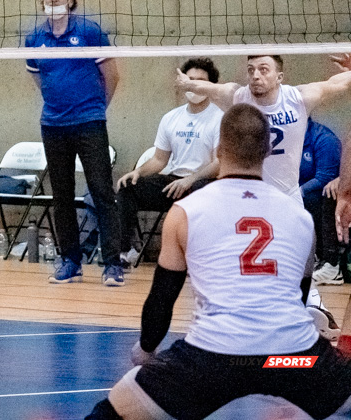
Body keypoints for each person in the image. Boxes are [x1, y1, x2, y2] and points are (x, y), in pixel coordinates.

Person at [83, 104, 351, 420]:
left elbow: (162, 298)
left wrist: (146, 350)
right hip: (290, 360)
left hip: (213, 359)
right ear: (267, 150)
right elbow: (300, 296)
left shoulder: (185, 211)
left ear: (219, 150)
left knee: (112, 412)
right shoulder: (300, 216)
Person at [180, 54, 351, 334]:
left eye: (263, 69)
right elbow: (207, 88)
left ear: (279, 77)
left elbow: (337, 84)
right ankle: (244, 316)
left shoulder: (298, 97)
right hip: (248, 197)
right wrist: (188, 83)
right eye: (250, 70)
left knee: (299, 261)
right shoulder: (239, 96)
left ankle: (313, 308)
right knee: (247, 258)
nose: (255, 75)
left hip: (287, 196)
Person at [23, 0, 125, 286]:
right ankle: (70, 261)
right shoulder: (33, 39)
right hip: (53, 125)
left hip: (90, 122)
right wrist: (60, 105)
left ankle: (112, 263)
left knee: (102, 192)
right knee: (61, 195)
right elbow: (40, 81)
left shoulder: (90, 32)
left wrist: (95, 109)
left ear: (71, 0)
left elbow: (113, 76)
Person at [116, 57, 223, 268]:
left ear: (211, 85)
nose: (194, 84)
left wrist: (191, 179)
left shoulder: (220, 117)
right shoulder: (171, 118)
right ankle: (124, 252)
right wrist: (138, 172)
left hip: (204, 184)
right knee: (128, 187)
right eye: (190, 79)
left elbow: (220, 162)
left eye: (200, 80)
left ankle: (200, 258)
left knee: (201, 189)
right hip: (174, 183)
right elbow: (159, 159)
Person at [300, 119, 342, 284]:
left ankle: (331, 265)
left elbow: (324, 176)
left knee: (322, 195)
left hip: (322, 194)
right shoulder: (284, 140)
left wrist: (295, 192)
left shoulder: (324, 139)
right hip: (298, 190)